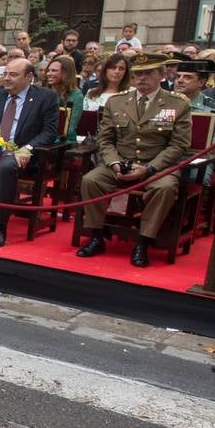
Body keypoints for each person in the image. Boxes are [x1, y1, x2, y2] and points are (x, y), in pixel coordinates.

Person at [76, 52, 191, 268]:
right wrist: (113, 163)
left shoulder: (177, 104)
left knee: (165, 188)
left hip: (157, 166)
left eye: (148, 74)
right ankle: (96, 236)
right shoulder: (117, 102)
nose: (141, 79)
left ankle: (143, 241)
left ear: (162, 74)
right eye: (137, 74)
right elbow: (106, 139)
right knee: (91, 180)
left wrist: (149, 169)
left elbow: (179, 145)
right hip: (121, 162)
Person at [0, 58, 59, 249]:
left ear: (29, 77)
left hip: (22, 153)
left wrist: (28, 148)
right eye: (5, 74)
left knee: (4, 167)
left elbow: (49, 132)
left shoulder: (46, 98)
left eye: (13, 75)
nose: (7, 79)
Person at [44, 54, 84, 142]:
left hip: (63, 143)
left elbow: (69, 130)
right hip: (43, 140)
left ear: (66, 73)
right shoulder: (45, 92)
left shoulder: (76, 96)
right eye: (48, 70)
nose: (49, 74)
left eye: (54, 71)